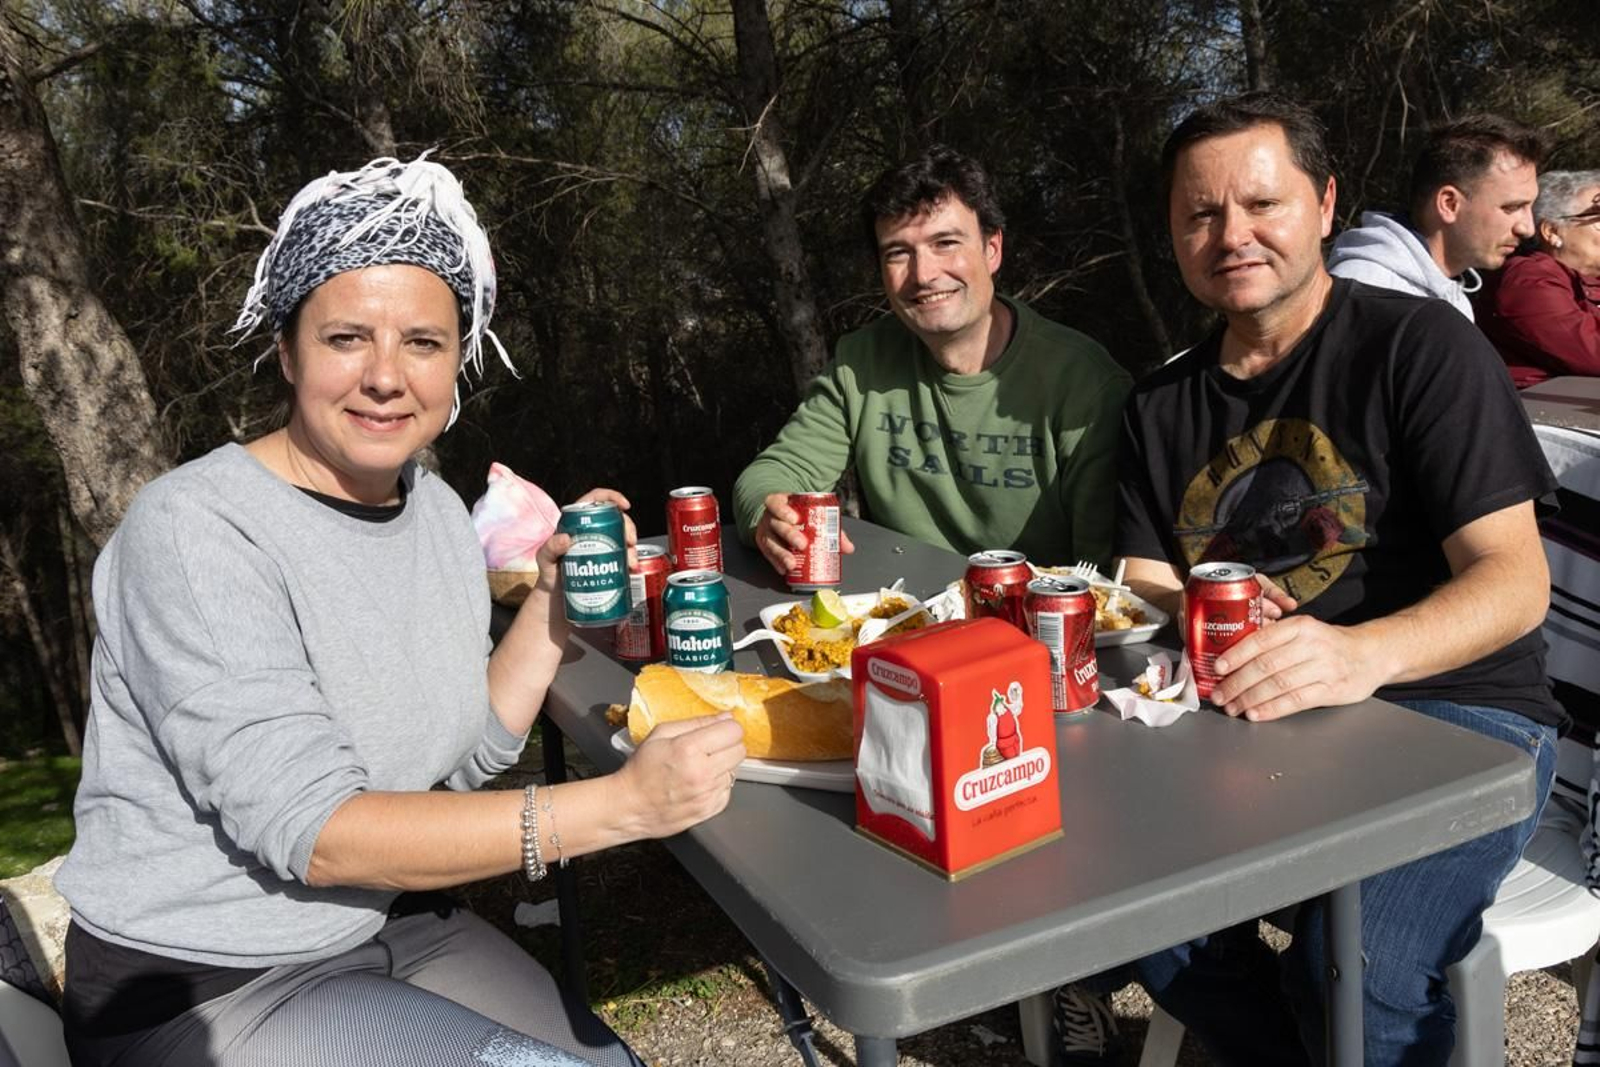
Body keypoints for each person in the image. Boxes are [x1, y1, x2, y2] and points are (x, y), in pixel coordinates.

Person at [54, 156, 747, 1067]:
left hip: (385, 926)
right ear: (287, 347)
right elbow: (323, 834)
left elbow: (466, 754)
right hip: (207, 984)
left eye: (422, 341)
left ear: (456, 361)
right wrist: (620, 806)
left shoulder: (429, 508)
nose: (387, 376)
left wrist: (548, 602)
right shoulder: (194, 530)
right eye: (347, 337)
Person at [1116, 92, 1564, 1065]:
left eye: (1260, 204)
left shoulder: (1418, 348)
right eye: (1200, 213)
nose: (1230, 233)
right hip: (1254, 720)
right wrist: (1186, 600)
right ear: (1172, 232)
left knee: (1357, 960)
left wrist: (1358, 651)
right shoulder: (1159, 403)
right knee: (1136, 907)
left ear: (1323, 205)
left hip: (1463, 714)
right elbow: (1143, 575)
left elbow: (1514, 581)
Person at [732, 146, 1131, 574]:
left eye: (945, 243)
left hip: (1030, 629)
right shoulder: (862, 363)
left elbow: (1106, 576)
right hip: (901, 619)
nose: (923, 274)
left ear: (992, 249)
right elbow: (770, 476)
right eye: (898, 253)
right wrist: (773, 519)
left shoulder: (1086, 385)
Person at [1327, 114, 1546, 319]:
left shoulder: (1455, 300)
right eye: (1512, 207)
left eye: (1529, 207)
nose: (1527, 228)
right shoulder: (1364, 289)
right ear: (1449, 204)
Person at [1475, 169, 1600, 388]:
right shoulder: (1528, 280)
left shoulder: (1588, 282)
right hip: (1533, 413)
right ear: (1552, 231)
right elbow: (1591, 354)